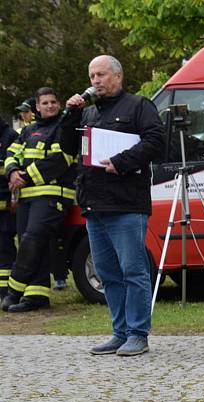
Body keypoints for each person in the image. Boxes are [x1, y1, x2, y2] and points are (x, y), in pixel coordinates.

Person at [60, 55, 165, 356]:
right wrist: (70, 115)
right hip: (95, 205)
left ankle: (138, 334)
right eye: (92, 75)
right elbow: (70, 147)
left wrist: (121, 162)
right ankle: (119, 332)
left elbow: (156, 141)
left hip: (126, 204)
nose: (95, 81)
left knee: (133, 270)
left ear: (117, 77)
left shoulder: (138, 106)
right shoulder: (88, 113)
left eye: (101, 75)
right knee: (107, 272)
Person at [1, 88, 75, 313]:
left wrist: (24, 176)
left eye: (54, 102)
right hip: (27, 198)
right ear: (37, 108)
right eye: (45, 103)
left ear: (59, 104)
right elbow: (12, 155)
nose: (50, 106)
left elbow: (60, 159)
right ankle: (37, 295)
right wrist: (12, 171)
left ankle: (14, 290)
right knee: (33, 243)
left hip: (53, 196)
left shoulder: (64, 127)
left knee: (32, 239)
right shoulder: (28, 131)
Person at [0, 116, 17, 299]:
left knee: (5, 246)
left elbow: (13, 169)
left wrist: (14, 199)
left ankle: (6, 290)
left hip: (7, 205)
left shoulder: (9, 135)